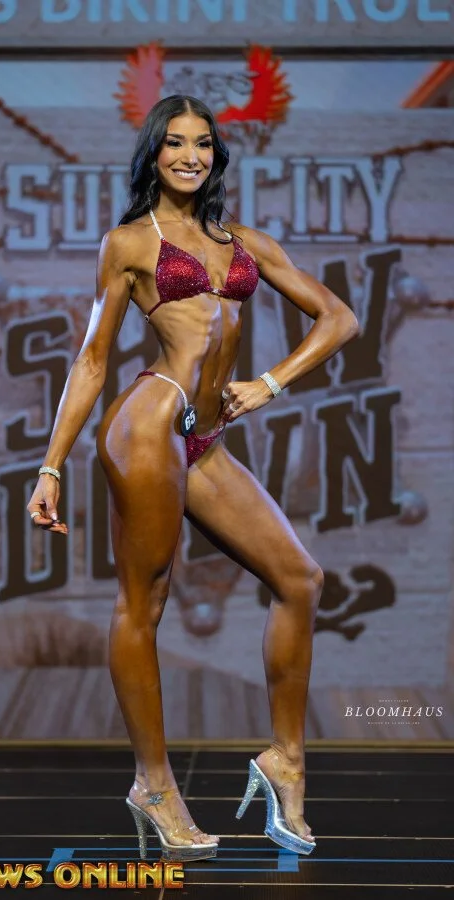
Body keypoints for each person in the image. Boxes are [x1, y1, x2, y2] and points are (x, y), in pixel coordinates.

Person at [27, 94, 359, 861]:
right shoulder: (129, 244)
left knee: (300, 580)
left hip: (203, 440)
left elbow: (339, 318)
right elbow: (93, 360)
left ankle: (285, 760)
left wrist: (271, 382)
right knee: (145, 604)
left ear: (216, 155)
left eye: (202, 144)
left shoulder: (242, 241)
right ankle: (153, 782)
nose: (189, 156)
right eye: (174, 143)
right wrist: (49, 468)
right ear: (154, 153)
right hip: (148, 425)